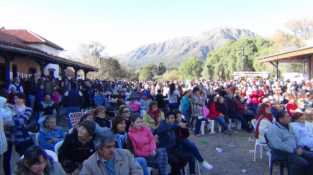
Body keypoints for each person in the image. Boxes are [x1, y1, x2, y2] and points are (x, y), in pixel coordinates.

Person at [267, 111, 313, 175]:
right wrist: (293, 150)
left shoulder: (289, 126)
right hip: (282, 153)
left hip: (295, 149)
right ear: (281, 119)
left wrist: (298, 147)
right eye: (287, 117)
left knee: (311, 156)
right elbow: (278, 145)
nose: (290, 118)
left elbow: (295, 138)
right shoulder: (273, 129)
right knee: (302, 163)